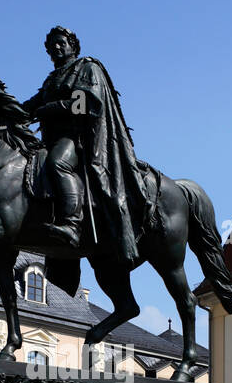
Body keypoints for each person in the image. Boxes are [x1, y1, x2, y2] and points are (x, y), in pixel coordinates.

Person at [21, 26, 153, 264]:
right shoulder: (53, 78)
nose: (56, 48)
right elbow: (32, 104)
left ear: (73, 45)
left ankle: (72, 224)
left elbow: (85, 102)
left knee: (57, 163)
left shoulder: (86, 68)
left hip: (79, 138)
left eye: (61, 43)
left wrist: (48, 109)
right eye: (52, 46)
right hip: (51, 138)